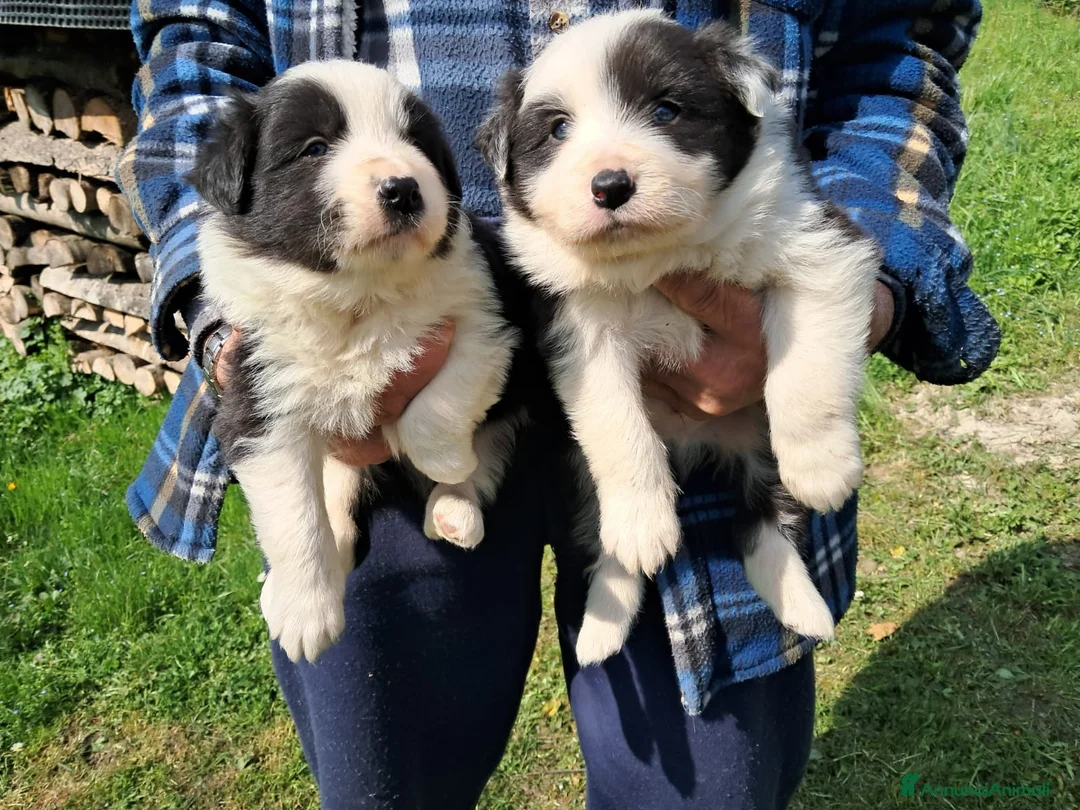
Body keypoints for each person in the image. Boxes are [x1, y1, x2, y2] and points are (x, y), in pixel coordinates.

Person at [118, 1, 999, 808]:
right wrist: (237, 316)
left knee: (706, 785)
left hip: (707, 417)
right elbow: (194, 44)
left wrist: (863, 286)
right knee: (387, 780)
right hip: (381, 422)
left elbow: (900, 49)